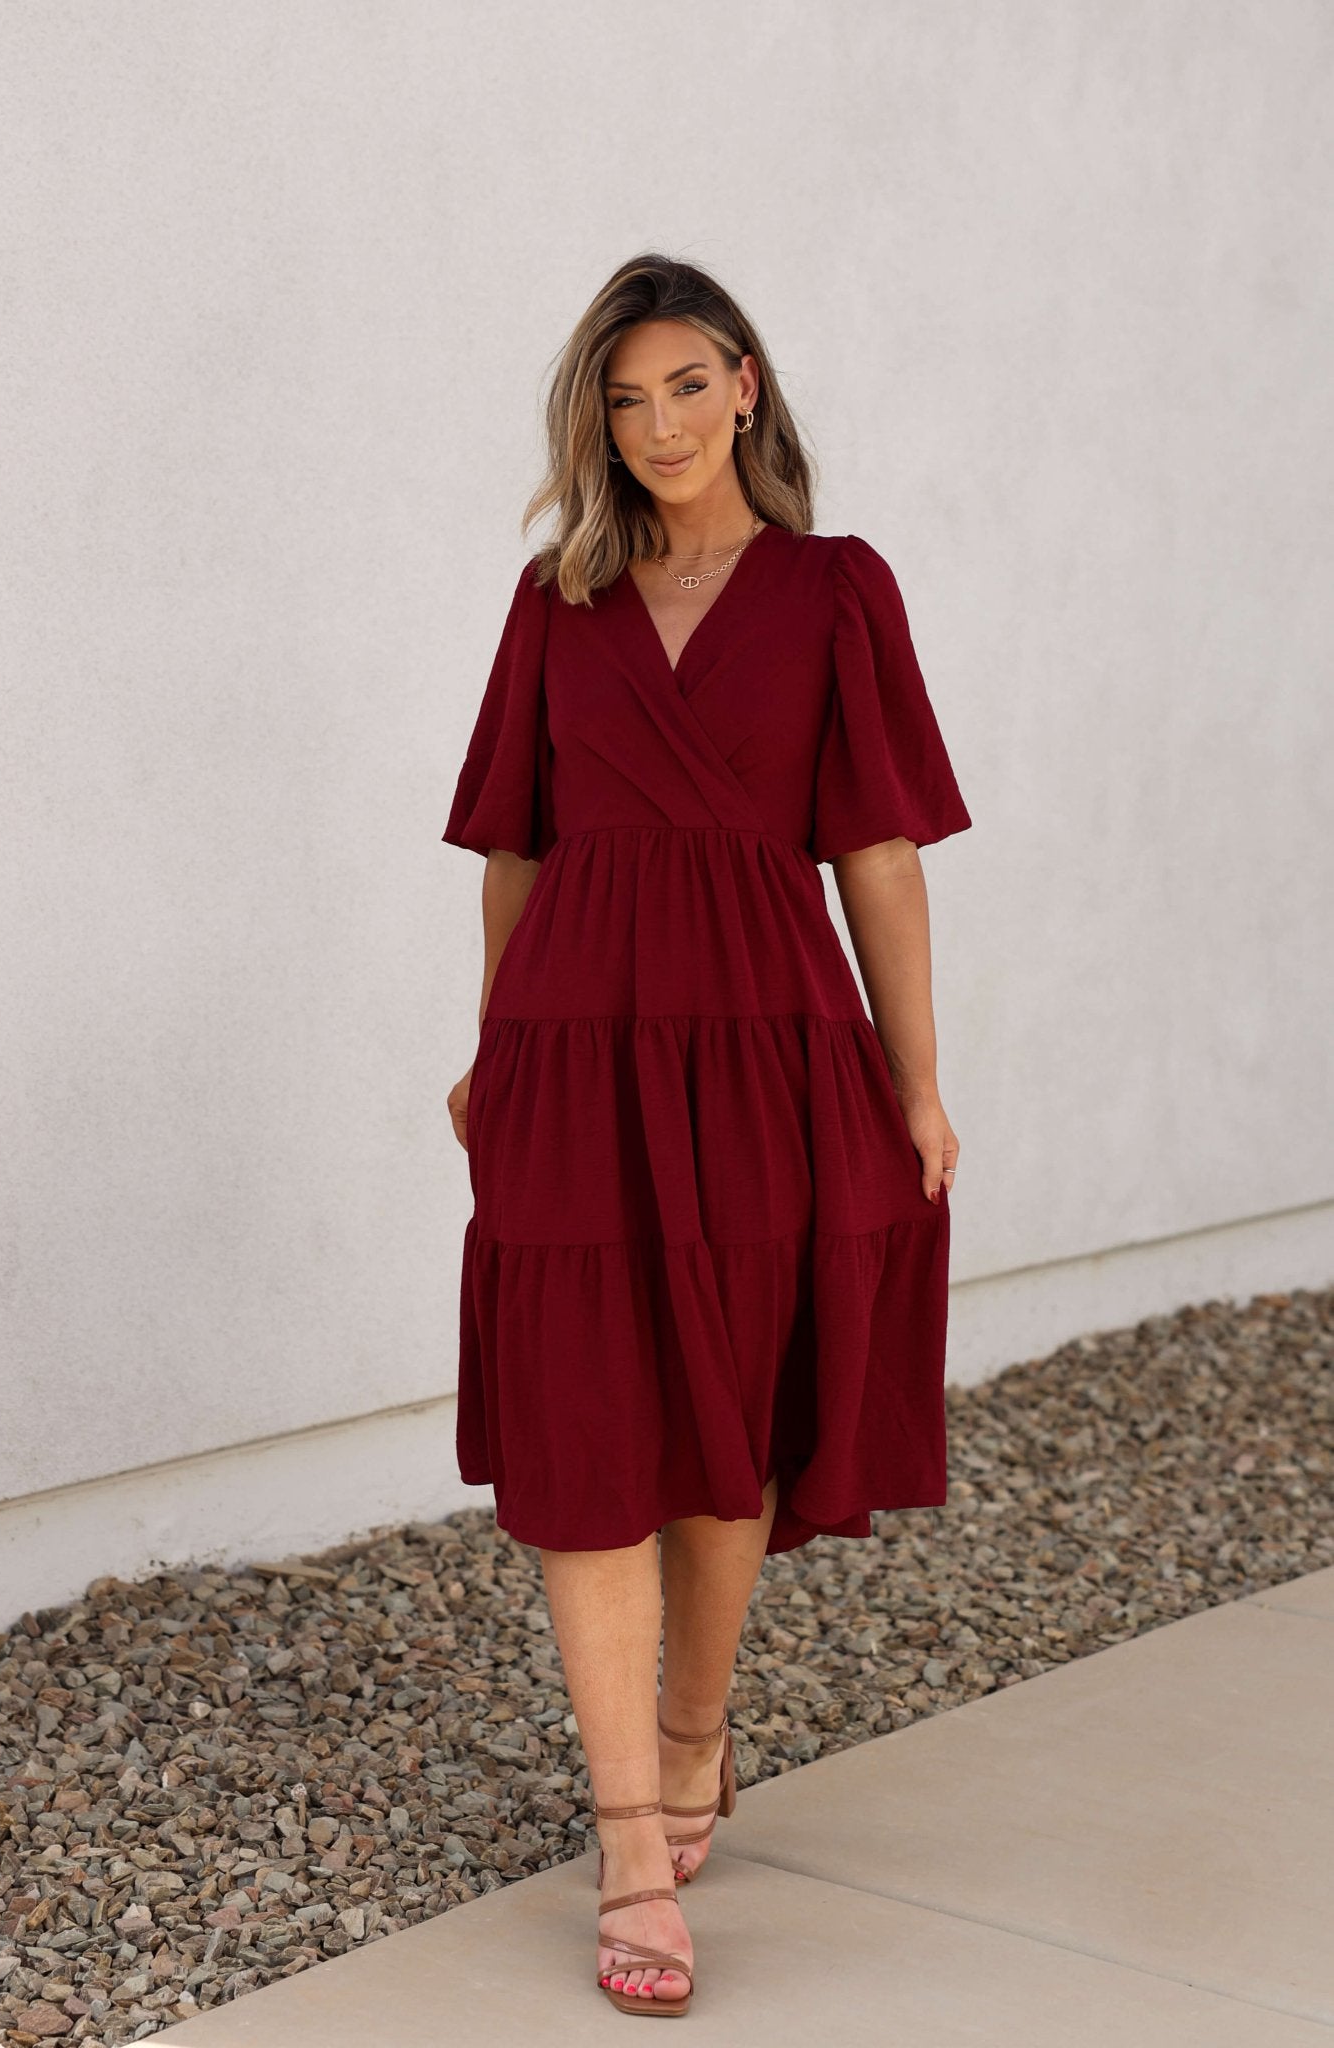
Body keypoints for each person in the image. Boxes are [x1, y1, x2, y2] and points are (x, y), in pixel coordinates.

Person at [442, 252, 972, 2015]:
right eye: (620, 396)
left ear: (744, 387)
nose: (654, 424)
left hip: (768, 1047)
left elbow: (877, 852)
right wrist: (491, 1047)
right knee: (590, 1425)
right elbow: (515, 843)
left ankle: (694, 1725)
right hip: (574, 1050)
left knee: (726, 1426)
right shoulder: (557, 599)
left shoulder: (832, 589)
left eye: (682, 384)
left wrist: (911, 1076)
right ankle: (622, 1840)